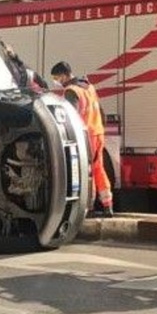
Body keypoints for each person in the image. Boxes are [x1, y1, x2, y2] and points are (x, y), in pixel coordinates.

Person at [51, 61, 113, 218]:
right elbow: (100, 110)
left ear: (64, 75)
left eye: (57, 77)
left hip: (86, 136)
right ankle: (107, 206)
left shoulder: (71, 91)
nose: (57, 81)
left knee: (87, 171)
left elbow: (71, 117)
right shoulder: (89, 87)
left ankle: (89, 208)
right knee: (99, 168)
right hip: (98, 132)